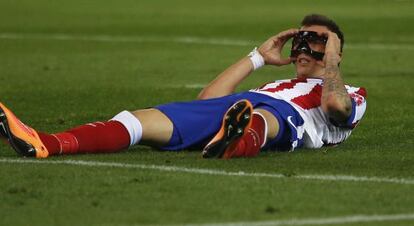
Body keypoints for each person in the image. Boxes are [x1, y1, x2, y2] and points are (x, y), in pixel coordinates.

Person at [0, 14, 367, 159]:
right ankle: (47, 143)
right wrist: (256, 57)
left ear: (335, 51)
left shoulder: (351, 94)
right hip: (242, 106)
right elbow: (208, 100)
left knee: (267, 116)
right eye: (300, 39)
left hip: (285, 118)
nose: (304, 46)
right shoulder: (277, 81)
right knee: (137, 120)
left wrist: (332, 57)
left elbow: (334, 108)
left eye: (317, 41)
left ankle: (237, 140)